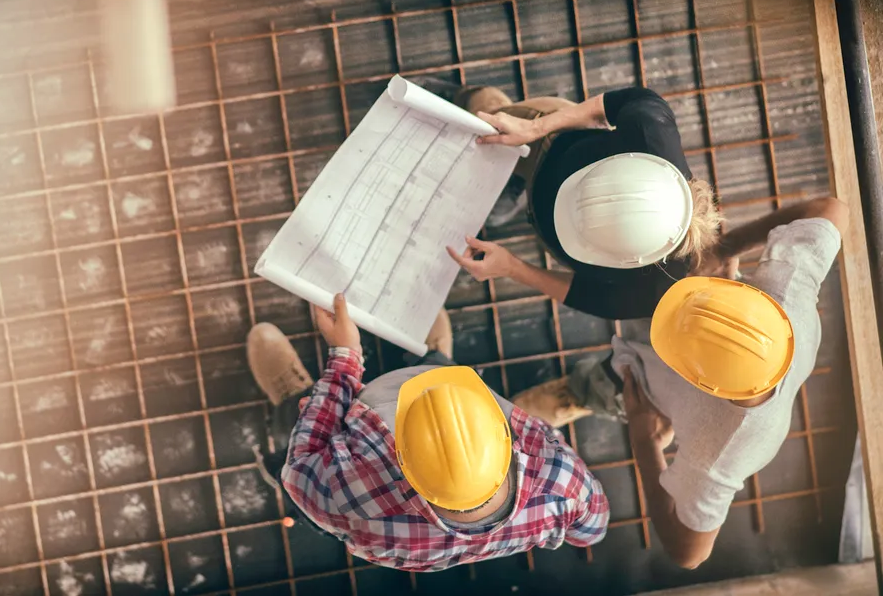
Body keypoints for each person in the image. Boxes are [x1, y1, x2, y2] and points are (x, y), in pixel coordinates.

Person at [508, 196, 849, 568]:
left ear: (697, 380)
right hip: (694, 339)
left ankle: (583, 392)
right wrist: (725, 248)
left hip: (646, 390)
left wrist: (645, 442)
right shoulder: (787, 291)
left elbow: (689, 552)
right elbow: (832, 209)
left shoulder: (717, 454)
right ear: (753, 300)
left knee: (610, 385)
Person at [248, 296, 609, 571]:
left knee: (298, 421)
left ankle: (294, 396)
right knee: (440, 371)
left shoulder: (354, 499)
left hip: (351, 466)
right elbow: (590, 532)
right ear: (508, 441)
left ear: (399, 458)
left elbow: (300, 467)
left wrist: (345, 357)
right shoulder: (562, 482)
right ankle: (436, 361)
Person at [416, 79, 724, 321]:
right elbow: (615, 103)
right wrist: (533, 127)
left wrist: (511, 267)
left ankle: (517, 190)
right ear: (626, 159)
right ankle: (469, 95)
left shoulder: (654, 289)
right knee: (486, 118)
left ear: (629, 260)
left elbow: (585, 295)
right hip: (549, 141)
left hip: (544, 200)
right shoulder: (650, 130)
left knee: (494, 205)